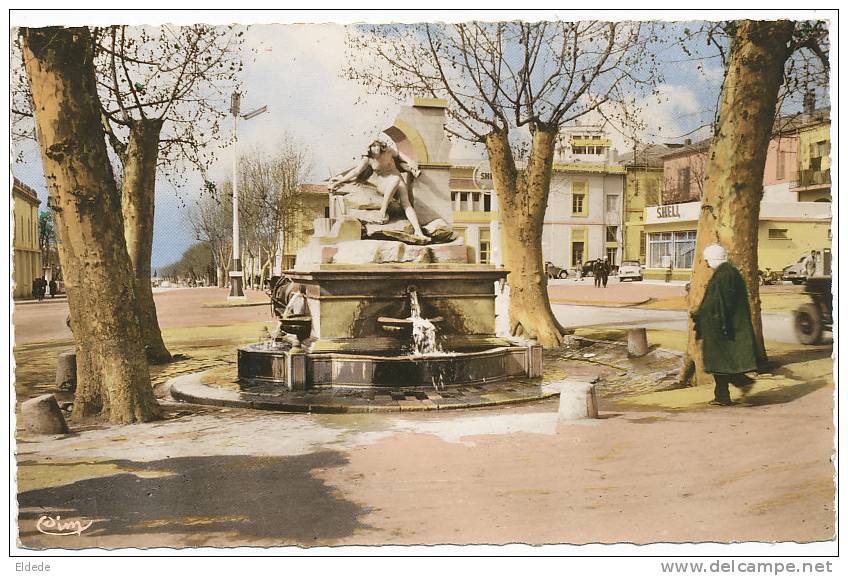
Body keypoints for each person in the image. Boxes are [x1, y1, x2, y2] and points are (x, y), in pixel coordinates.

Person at [692, 243, 757, 406]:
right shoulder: (727, 272)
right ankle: (729, 391)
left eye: (707, 260)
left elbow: (720, 303)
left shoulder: (724, 275)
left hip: (722, 327)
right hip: (722, 325)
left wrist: (704, 316)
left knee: (720, 362)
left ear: (713, 259)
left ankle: (734, 388)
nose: (706, 264)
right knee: (721, 363)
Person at [329, 140, 426, 240]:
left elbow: (399, 154)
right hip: (384, 184)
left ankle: (418, 230)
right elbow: (356, 171)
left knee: (406, 203)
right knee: (395, 180)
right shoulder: (368, 159)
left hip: (397, 179)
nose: (375, 148)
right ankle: (382, 210)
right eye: (372, 146)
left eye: (376, 145)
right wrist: (339, 182)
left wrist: (409, 161)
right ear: (369, 148)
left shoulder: (388, 151)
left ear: (381, 146)